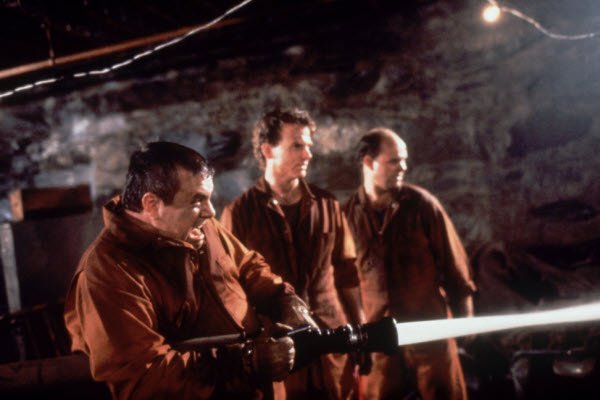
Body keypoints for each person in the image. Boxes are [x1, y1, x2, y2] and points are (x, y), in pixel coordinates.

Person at [64, 141, 317, 399]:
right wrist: (246, 362)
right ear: (151, 204)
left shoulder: (199, 226)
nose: (211, 212)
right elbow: (144, 378)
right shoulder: (107, 272)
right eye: (197, 200)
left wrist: (281, 298)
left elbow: (246, 265)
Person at [221, 108, 369, 399]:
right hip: (282, 351)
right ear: (268, 150)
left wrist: (361, 333)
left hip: (331, 343)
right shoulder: (238, 214)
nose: (308, 155)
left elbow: (347, 275)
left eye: (308, 146)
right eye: (297, 146)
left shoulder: (327, 205)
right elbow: (229, 289)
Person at [344, 128, 476, 400]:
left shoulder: (422, 205)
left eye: (404, 160)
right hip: (380, 339)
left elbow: (453, 263)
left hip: (429, 331)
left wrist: (465, 314)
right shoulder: (347, 217)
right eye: (394, 161)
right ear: (369, 162)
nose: (403, 167)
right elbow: (344, 280)